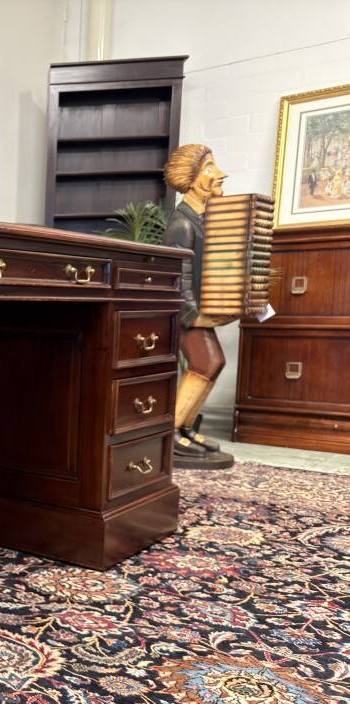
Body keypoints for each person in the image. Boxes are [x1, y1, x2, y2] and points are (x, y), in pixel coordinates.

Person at [162, 144, 235, 469]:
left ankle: (185, 429)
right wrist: (196, 315)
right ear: (190, 179)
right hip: (185, 316)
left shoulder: (200, 219)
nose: (219, 174)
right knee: (206, 362)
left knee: (212, 362)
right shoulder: (182, 224)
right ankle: (171, 433)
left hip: (195, 313)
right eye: (209, 167)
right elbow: (180, 278)